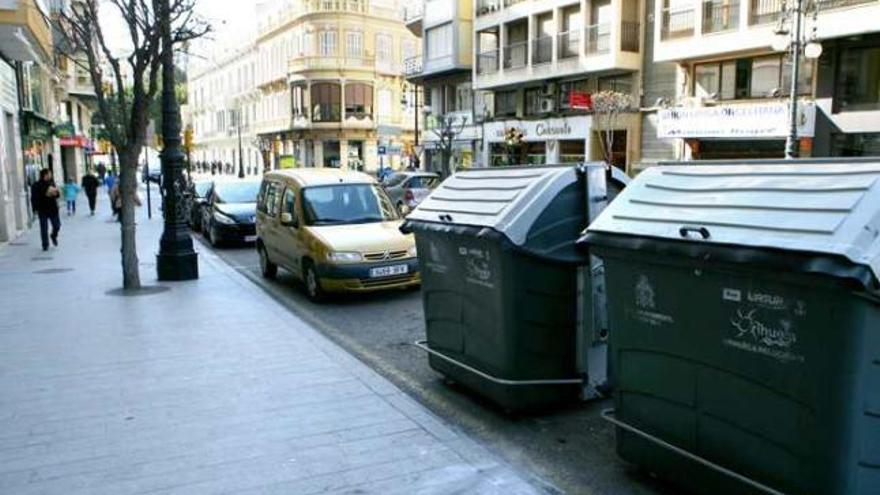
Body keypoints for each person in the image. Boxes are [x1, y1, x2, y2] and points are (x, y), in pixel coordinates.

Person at [30, 169, 61, 251]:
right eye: (49, 174)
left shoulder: (52, 183)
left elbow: (57, 195)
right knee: (44, 228)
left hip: (53, 208)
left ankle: (53, 235)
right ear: (45, 175)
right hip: (42, 209)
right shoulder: (36, 185)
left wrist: (56, 192)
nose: (50, 175)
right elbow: (33, 198)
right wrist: (35, 209)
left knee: (57, 225)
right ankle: (45, 244)